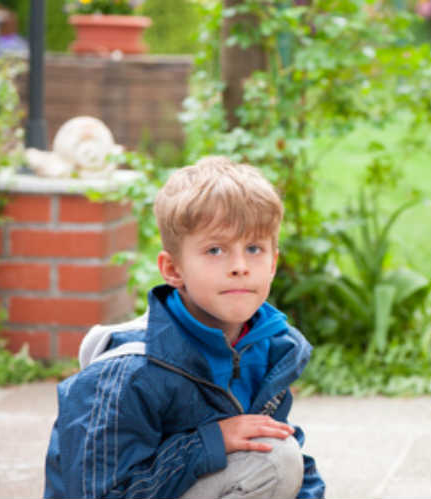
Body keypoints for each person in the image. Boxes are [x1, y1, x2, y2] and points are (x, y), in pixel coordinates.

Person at [44, 156, 325, 499]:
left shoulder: (270, 348)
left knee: (281, 454)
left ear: (273, 263)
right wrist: (209, 443)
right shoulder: (127, 372)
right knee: (272, 459)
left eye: (254, 248)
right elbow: (98, 494)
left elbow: (290, 456)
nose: (239, 266)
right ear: (173, 269)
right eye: (215, 250)